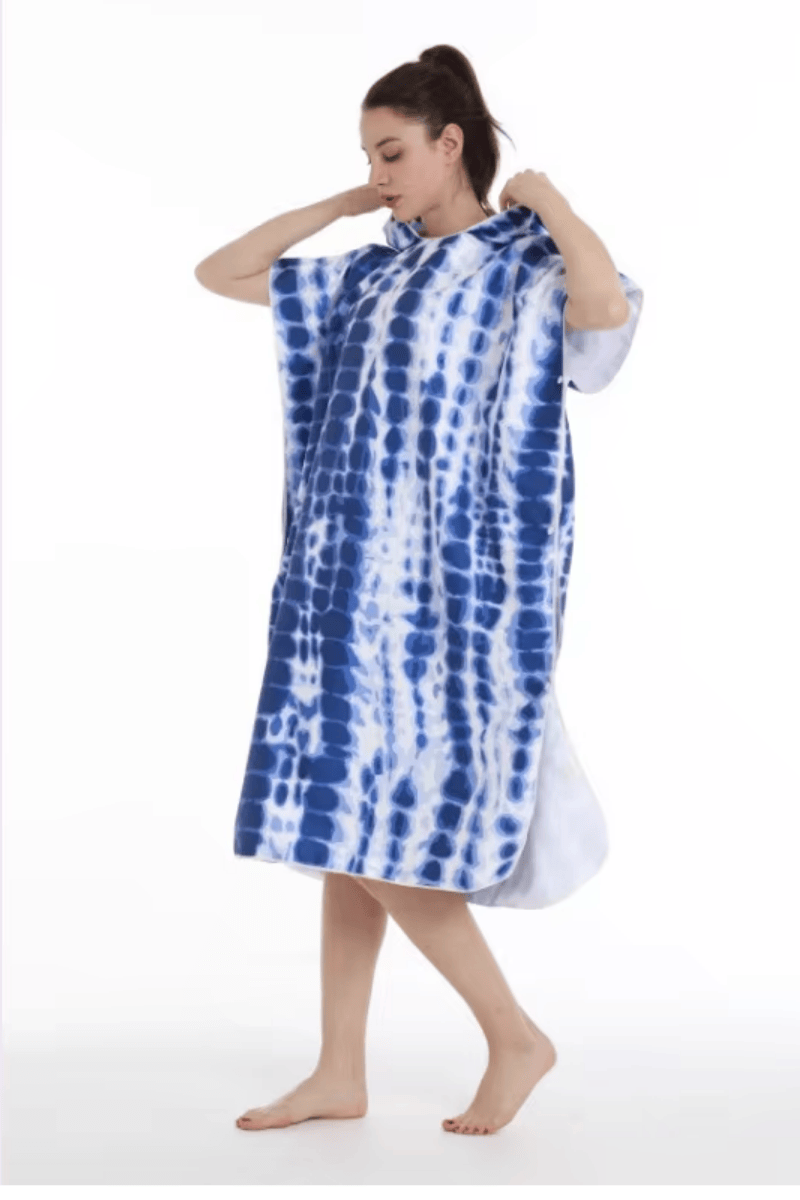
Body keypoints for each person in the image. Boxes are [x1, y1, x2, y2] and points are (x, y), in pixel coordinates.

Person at [195, 44, 642, 1137]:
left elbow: (601, 320)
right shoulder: (371, 270)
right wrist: (346, 202)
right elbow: (223, 271)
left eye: (392, 153)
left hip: (450, 593)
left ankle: (513, 1035)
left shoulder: (521, 264)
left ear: (452, 144)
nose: (379, 173)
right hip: (342, 582)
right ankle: (337, 1071)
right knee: (340, 831)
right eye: (367, 155)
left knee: (379, 834)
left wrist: (552, 204)